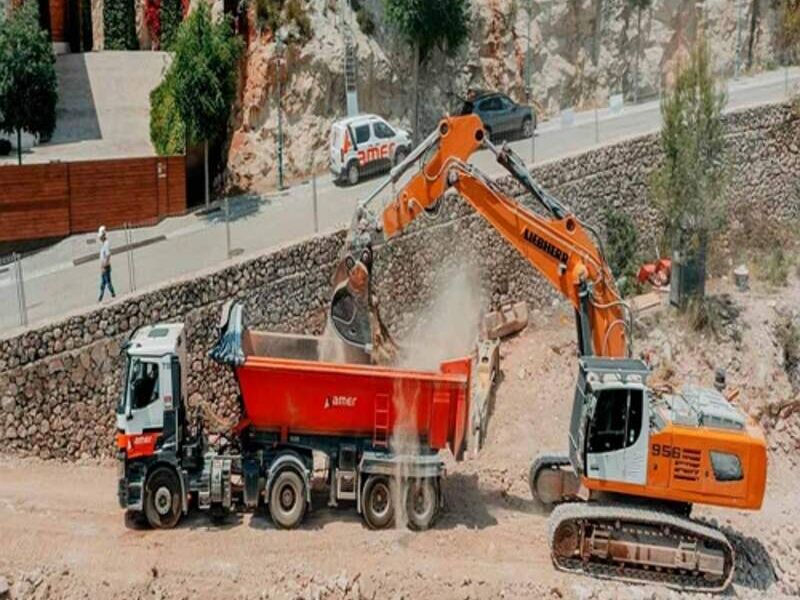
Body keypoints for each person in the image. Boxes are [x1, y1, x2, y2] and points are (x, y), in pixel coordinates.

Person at [98, 225, 116, 302]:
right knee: (103, 283)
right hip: (104, 266)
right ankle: (101, 297)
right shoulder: (104, 244)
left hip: (106, 267)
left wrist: (104, 266)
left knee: (107, 282)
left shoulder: (106, 244)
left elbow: (108, 255)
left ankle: (113, 294)